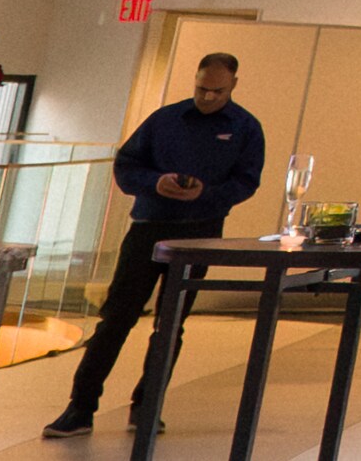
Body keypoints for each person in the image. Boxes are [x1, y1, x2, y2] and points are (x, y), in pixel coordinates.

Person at [43, 50, 269, 436]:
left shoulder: (246, 128)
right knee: (115, 319)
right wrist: (155, 182)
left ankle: (147, 407)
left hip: (200, 233)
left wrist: (205, 194)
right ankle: (80, 408)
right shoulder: (165, 119)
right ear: (194, 81)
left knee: (171, 324)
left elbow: (246, 182)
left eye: (216, 91)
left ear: (233, 84)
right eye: (201, 89)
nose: (208, 97)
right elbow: (127, 164)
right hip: (149, 227)